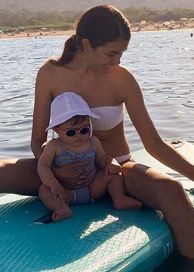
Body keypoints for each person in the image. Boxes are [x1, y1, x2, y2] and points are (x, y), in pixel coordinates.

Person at [0, 5, 194, 262]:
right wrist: (53, 175)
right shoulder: (50, 74)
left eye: (121, 54)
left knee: (172, 192)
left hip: (115, 171)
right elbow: (37, 141)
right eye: (111, 54)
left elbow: (152, 144)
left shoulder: (122, 80)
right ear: (86, 45)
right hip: (59, 170)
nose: (116, 62)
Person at [38, 92, 142, 221]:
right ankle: (61, 208)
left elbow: (102, 158)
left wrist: (111, 163)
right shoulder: (54, 146)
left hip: (93, 188)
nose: (79, 135)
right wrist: (54, 184)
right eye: (71, 132)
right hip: (66, 192)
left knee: (114, 175)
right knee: (44, 190)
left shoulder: (93, 141)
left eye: (84, 130)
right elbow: (43, 166)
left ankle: (119, 199)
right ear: (57, 130)